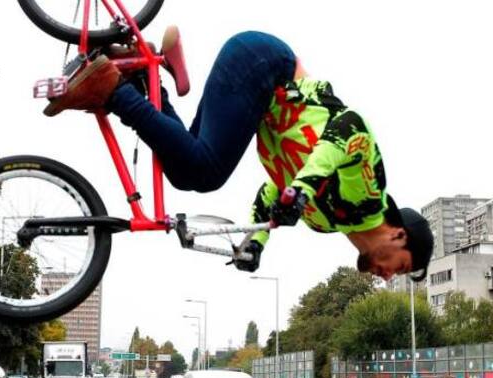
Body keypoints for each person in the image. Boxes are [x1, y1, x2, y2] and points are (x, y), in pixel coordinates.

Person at [44, 28, 433, 281]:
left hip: (257, 85)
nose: (387, 277)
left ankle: (143, 79)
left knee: (186, 170)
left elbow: (269, 196)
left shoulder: (327, 223)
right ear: (399, 235)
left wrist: (255, 245)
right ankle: (110, 87)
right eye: (400, 268)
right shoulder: (367, 198)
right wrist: (301, 190)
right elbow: (352, 129)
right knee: (207, 171)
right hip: (267, 69)